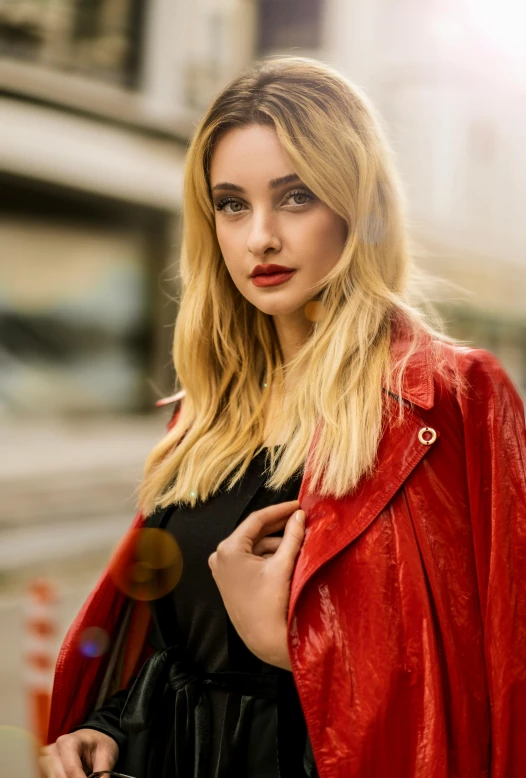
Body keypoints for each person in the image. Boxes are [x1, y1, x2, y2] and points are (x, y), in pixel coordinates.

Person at [40, 56, 526, 778]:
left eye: (295, 197)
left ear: (359, 207)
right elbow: (178, 647)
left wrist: (288, 644)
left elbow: (497, 684)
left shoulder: (454, 397)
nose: (260, 236)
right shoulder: (206, 415)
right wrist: (107, 726)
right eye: (232, 204)